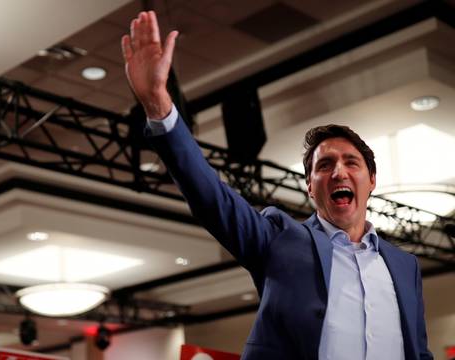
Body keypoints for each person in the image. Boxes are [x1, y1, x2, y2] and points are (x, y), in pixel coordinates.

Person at [121, 10, 432, 360]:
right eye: (325, 165)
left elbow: (418, 353)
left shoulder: (405, 266)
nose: (338, 172)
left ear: (371, 180)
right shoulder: (279, 238)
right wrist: (159, 105)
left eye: (351, 163)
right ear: (311, 187)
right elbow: (211, 197)